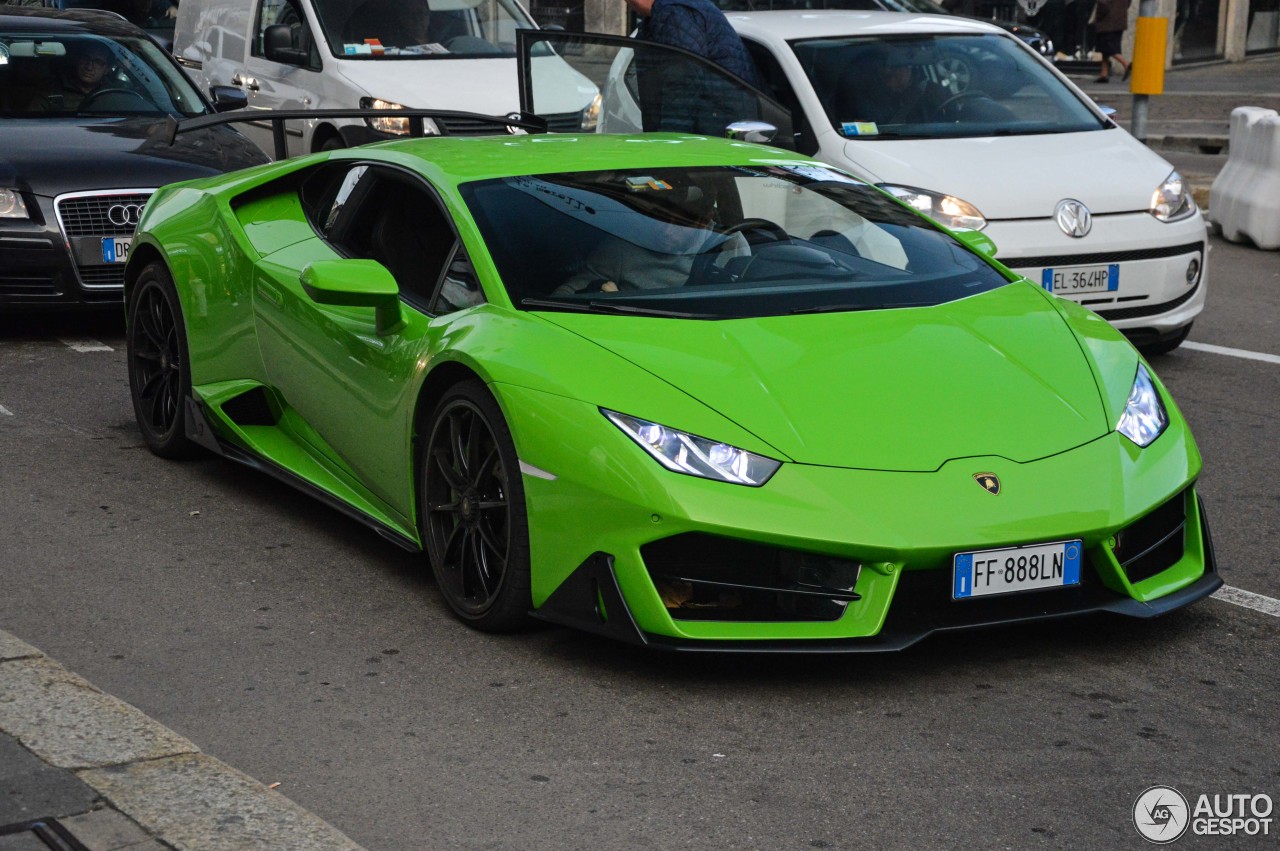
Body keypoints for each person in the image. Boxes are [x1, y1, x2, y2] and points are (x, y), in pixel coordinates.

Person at [30, 39, 116, 111]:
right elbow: (32, 123)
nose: (89, 67)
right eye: (85, 58)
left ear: (107, 69)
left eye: (97, 62)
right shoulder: (52, 89)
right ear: (77, 60)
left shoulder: (116, 91)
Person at [1091, 0, 1132, 83]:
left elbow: (1103, 4)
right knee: (1107, 48)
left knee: (1106, 46)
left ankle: (1126, 64)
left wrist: (1097, 17)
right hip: (1120, 19)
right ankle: (1104, 73)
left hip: (1108, 21)